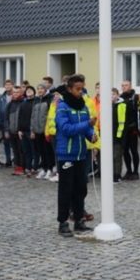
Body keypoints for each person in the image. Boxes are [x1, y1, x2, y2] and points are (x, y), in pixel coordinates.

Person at [55, 74, 97, 237]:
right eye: (77, 89)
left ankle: (79, 220)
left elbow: (86, 129)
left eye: (82, 89)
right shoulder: (62, 107)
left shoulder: (83, 106)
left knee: (81, 189)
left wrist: (91, 135)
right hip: (66, 155)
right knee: (66, 190)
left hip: (81, 154)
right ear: (70, 89)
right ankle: (63, 222)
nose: (81, 92)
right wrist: (87, 124)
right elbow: (66, 129)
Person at [119, 79, 140, 180]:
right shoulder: (120, 98)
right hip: (124, 129)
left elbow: (138, 112)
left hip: (133, 129)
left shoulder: (135, 97)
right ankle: (129, 171)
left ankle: (136, 172)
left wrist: (137, 127)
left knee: (134, 151)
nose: (124, 87)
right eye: (123, 85)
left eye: (126, 85)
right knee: (125, 151)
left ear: (130, 86)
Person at [31, 84, 52, 180]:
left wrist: (48, 129)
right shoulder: (35, 100)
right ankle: (44, 168)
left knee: (47, 151)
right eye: (38, 89)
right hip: (37, 130)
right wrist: (32, 129)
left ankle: (50, 169)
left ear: (45, 90)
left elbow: (50, 115)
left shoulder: (49, 99)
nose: (39, 90)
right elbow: (32, 116)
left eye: (41, 89)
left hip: (45, 130)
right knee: (41, 151)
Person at [18, 85, 36, 177]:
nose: (28, 91)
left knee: (34, 151)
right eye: (27, 90)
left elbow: (35, 118)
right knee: (26, 151)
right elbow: (20, 117)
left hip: (31, 131)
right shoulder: (23, 103)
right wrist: (19, 130)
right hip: (23, 131)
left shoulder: (35, 103)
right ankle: (28, 167)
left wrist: (33, 130)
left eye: (30, 90)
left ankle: (34, 167)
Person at [0, 79, 15, 168]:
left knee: (15, 143)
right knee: (6, 143)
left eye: (9, 85)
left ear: (12, 86)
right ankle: (8, 160)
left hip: (14, 123)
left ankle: (17, 160)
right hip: (5, 123)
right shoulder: (1, 98)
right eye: (6, 85)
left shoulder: (15, 96)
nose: (8, 86)